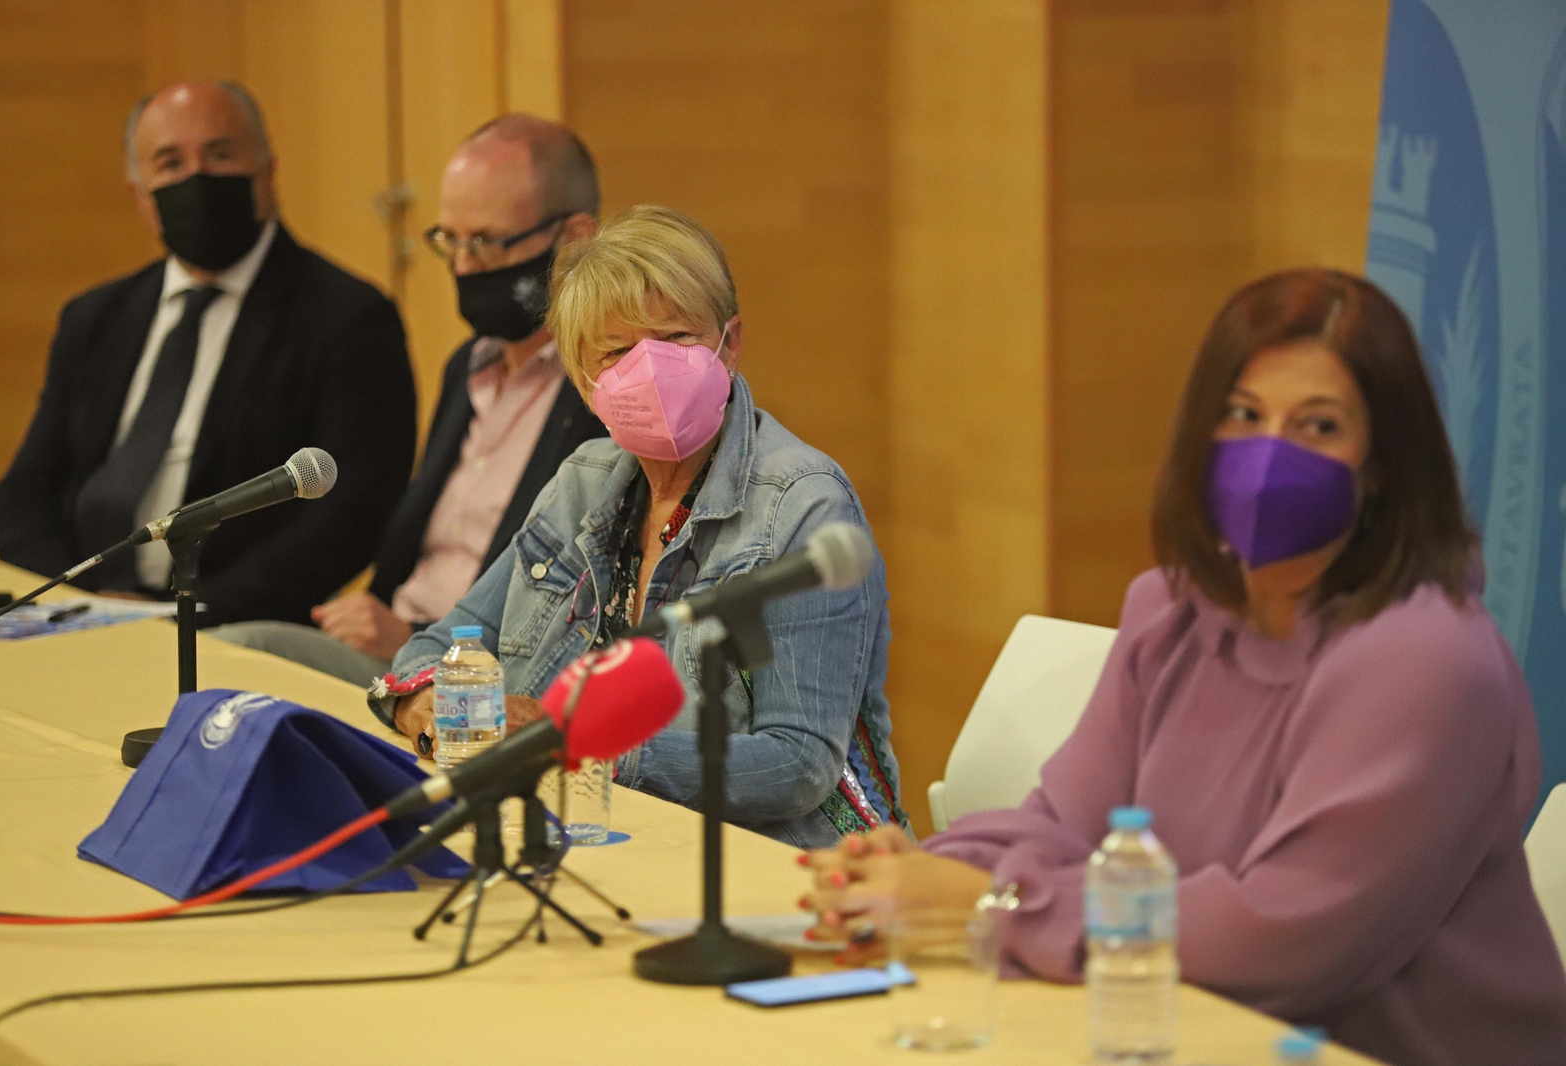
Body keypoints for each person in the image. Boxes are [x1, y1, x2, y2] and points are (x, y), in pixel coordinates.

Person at [798, 269, 1566, 1065]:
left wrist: (995, 905)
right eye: (1243, 416)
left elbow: (1286, 938)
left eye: (1320, 427)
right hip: (1176, 1034)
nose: (1271, 455)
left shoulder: (1428, 659)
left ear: (1382, 469)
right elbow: (1062, 821)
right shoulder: (1170, 612)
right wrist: (918, 877)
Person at [370, 205, 905, 848]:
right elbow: (444, 644)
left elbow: (799, 766)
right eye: (619, 351)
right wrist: (422, 704)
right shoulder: (586, 479)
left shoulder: (804, 505)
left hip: (780, 859)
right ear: (583, 377)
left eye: (675, 339)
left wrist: (576, 746)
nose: (650, 369)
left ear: (729, 343)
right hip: (592, 830)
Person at [0, 81, 416, 626]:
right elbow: (26, 491)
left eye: (220, 155)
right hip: (79, 614)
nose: (197, 178)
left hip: (230, 624)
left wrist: (180, 615)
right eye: (170, 163)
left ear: (267, 172)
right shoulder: (94, 318)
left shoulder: (348, 317)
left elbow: (351, 512)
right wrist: (76, 603)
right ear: (140, 196)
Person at [212, 115, 606, 684]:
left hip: (473, 675)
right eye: (451, 241)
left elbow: (570, 602)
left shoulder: (601, 390)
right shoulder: (466, 368)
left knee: (231, 655)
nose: (465, 267)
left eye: (488, 244)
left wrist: (423, 640)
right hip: (393, 650)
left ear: (574, 238)